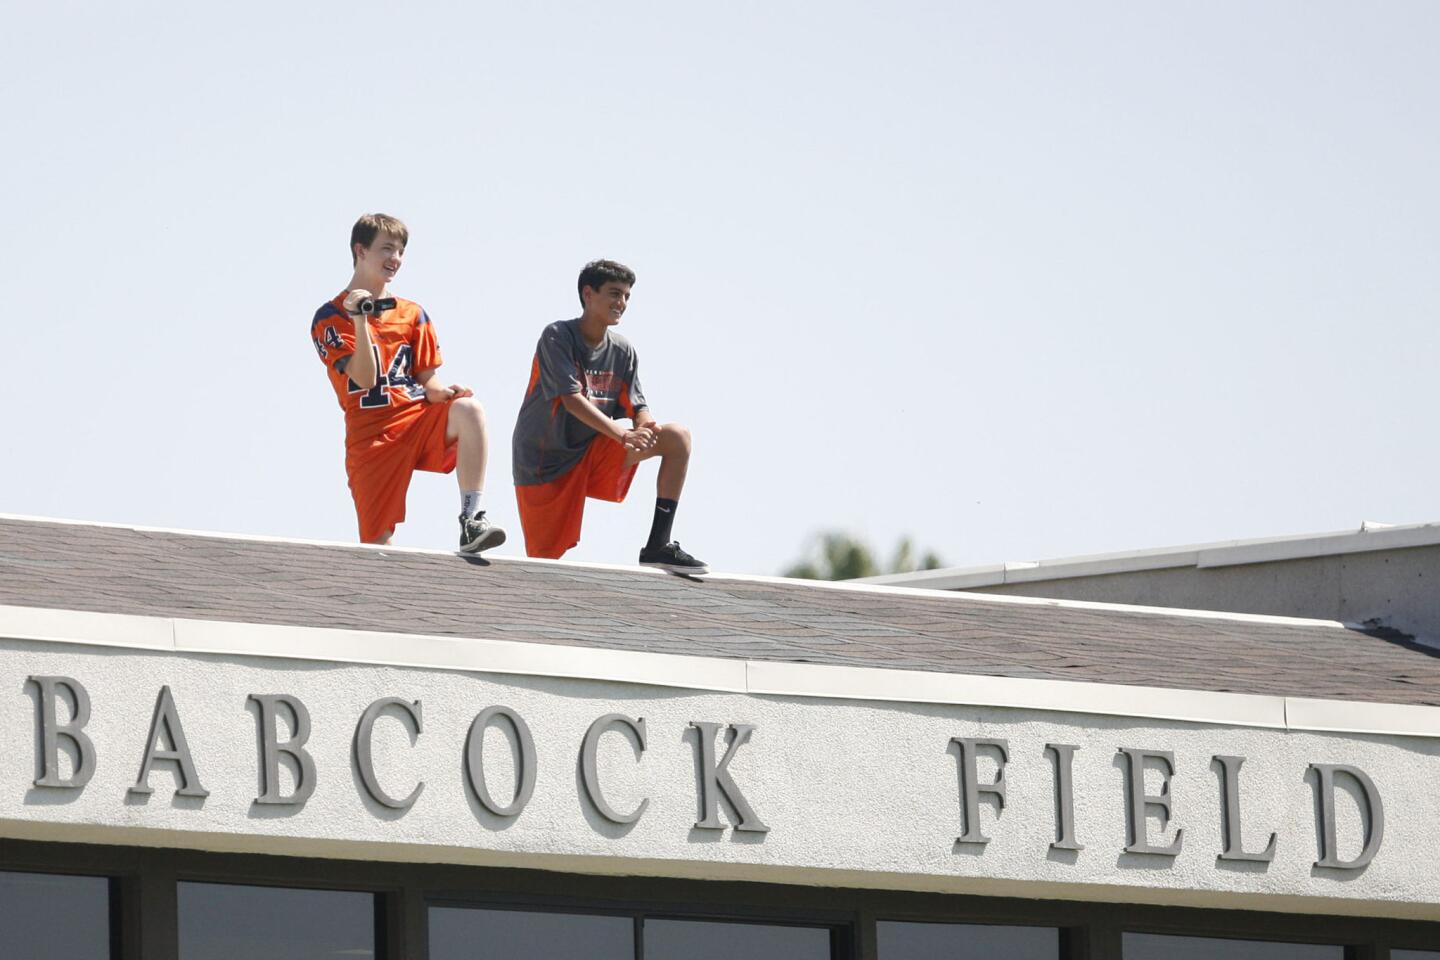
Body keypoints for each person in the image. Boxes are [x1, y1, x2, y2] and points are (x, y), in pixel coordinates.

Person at [310, 213, 505, 553]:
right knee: (378, 547)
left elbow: (428, 379)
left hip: (415, 417)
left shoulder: (413, 313)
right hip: (371, 436)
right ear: (361, 250)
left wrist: (443, 392)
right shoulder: (329, 316)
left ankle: (471, 520)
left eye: (401, 251)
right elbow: (365, 377)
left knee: (469, 410)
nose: (395, 259)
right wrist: (361, 321)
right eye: (387, 249)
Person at [511, 259, 707, 574]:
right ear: (588, 294)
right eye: (615, 294)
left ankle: (658, 544)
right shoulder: (557, 336)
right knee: (543, 566)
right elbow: (571, 400)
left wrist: (644, 425)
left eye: (627, 296)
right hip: (545, 463)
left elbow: (637, 406)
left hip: (593, 452)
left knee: (676, 437)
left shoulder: (623, 350)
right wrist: (624, 434)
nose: (622, 303)